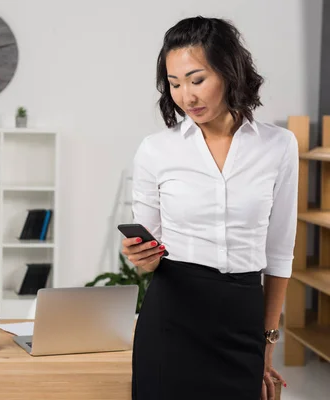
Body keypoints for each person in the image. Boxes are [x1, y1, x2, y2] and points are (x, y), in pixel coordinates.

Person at [124, 16, 298, 400]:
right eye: (174, 84)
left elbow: (279, 253)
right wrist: (142, 256)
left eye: (197, 79)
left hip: (242, 316)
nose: (186, 96)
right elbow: (150, 250)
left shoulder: (279, 146)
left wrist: (267, 341)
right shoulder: (156, 150)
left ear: (229, 71)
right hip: (173, 315)